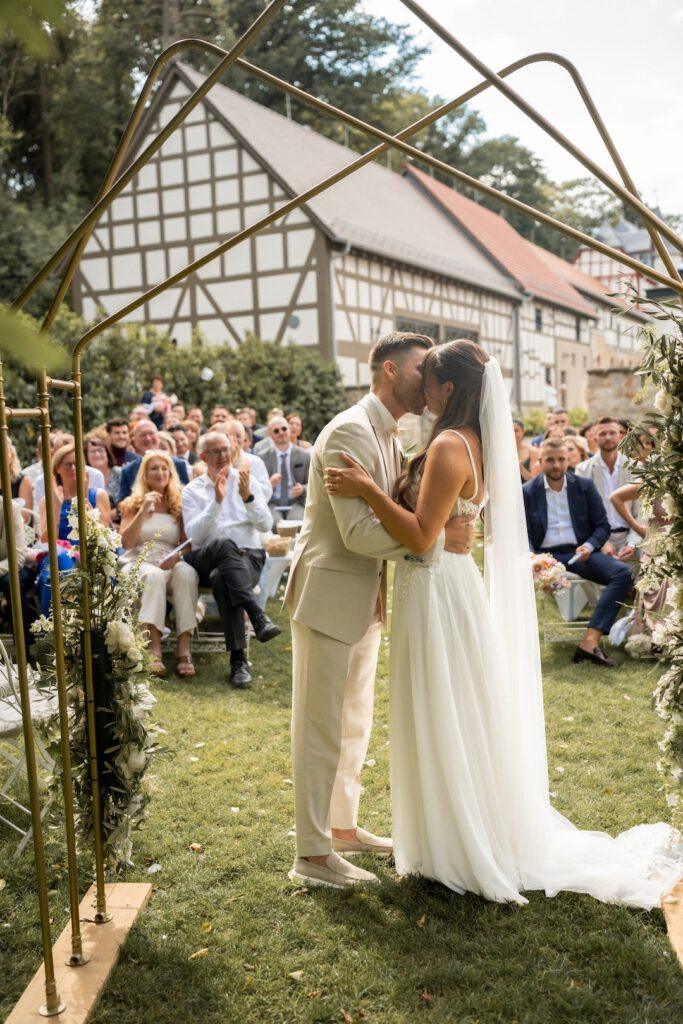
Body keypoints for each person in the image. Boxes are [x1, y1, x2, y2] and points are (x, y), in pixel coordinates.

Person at [323, 339, 682, 908]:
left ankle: (457, 842)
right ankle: (446, 834)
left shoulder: (449, 445)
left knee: (443, 706)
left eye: (428, 379)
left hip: (436, 588)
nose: (422, 388)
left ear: (448, 388)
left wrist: (366, 489)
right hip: (443, 583)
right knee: (451, 707)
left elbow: (420, 535)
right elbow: (439, 525)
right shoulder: (477, 442)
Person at [284, 332, 475, 890]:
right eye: (421, 369)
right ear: (390, 370)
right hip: (328, 596)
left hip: (365, 599)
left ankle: (341, 827)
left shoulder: (392, 433)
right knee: (319, 726)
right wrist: (434, 543)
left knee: (353, 722)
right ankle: (311, 853)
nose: (429, 379)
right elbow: (358, 533)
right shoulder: (349, 429)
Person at [523, 437, 632, 667]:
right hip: (546, 557)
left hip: (580, 552)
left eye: (561, 459)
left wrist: (590, 546)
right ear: (540, 460)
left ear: (568, 460)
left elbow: (602, 525)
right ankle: (519, 645)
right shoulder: (527, 492)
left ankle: (589, 642)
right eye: (550, 460)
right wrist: (534, 558)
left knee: (622, 573)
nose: (556, 465)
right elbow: (522, 533)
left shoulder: (584, 486)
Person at [182, 432, 279, 688]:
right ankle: (257, 615)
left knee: (223, 579)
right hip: (206, 557)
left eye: (225, 449)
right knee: (224, 544)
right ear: (203, 457)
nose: (223, 455)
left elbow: (265, 524)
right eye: (216, 451)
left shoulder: (248, 481)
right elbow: (194, 535)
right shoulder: (192, 490)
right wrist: (216, 502)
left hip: (248, 556)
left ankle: (238, 663)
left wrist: (248, 498)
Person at [119, 451, 199, 678]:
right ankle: (154, 649)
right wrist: (143, 511)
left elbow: (187, 544)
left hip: (170, 560)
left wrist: (177, 556)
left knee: (187, 573)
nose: (160, 473)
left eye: (165, 469)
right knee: (153, 576)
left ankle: (184, 649)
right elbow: (126, 543)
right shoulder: (132, 504)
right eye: (154, 468)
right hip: (139, 561)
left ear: (171, 474)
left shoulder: (178, 505)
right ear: (145, 474)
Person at [37, 444, 111, 614]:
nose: (73, 468)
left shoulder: (97, 495)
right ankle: (53, 626)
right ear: (57, 468)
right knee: (58, 559)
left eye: (77, 464)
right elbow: (47, 539)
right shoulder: (47, 500)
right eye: (68, 464)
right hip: (57, 557)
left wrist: (84, 499)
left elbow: (103, 533)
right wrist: (57, 506)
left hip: (89, 555)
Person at [575, 417, 640, 560]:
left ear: (620, 436)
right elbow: (581, 514)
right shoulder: (582, 470)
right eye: (602, 433)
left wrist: (632, 544)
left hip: (631, 540)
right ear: (594, 438)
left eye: (612, 433)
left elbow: (641, 513)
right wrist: (600, 542)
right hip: (598, 543)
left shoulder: (636, 468)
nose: (608, 437)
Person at [118, 420, 190, 502]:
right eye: (142, 435)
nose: (148, 439)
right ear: (134, 442)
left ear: (158, 437)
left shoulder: (178, 464)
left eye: (151, 433)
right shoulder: (128, 470)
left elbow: (188, 498)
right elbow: (122, 504)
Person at [258, 416, 310, 523]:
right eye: (276, 431)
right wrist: (269, 484)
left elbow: (314, 483)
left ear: (289, 430)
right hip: (272, 502)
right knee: (273, 523)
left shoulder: (304, 455)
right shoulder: (262, 457)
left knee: (296, 523)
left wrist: (303, 489)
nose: (281, 432)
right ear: (270, 435)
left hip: (296, 501)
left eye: (284, 428)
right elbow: (256, 487)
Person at [222, 420, 272, 501]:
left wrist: (247, 487)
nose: (233, 439)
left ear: (243, 439)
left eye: (238, 436)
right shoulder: (214, 461)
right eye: (228, 436)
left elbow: (267, 492)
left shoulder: (255, 461)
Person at [85, 433, 122, 517]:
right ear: (86, 456)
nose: (97, 454)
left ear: (107, 453)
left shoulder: (120, 473)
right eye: (93, 452)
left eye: (100, 450)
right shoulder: (84, 476)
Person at [513, 419, 538, 483]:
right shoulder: (502, 454)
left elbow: (534, 481)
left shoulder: (532, 451)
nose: (513, 434)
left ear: (523, 432)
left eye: (516, 430)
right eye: (510, 431)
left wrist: (521, 468)